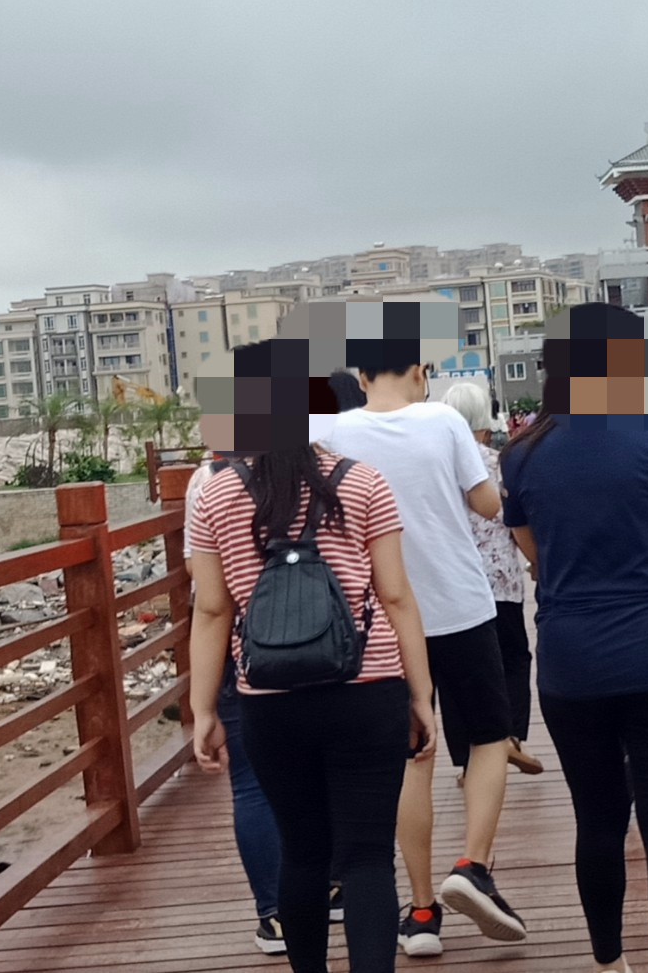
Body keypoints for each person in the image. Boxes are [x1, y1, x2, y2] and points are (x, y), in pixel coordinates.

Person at [189, 339, 437, 973]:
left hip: (270, 699)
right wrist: (420, 695)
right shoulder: (363, 481)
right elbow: (396, 596)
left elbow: (213, 611)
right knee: (367, 857)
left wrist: (203, 709)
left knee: (302, 853)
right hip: (368, 689)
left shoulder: (215, 495)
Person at [500, 303, 648, 973]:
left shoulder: (522, 455)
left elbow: (535, 555)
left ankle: (608, 962)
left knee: (596, 820)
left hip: (573, 662)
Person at [321, 349, 527, 958]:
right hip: (460, 606)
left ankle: (419, 912)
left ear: (361, 377)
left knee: (414, 754)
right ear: (420, 372)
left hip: (383, 618)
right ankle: (473, 867)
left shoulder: (335, 433)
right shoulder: (444, 422)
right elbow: (488, 504)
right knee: (488, 737)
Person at [183, 452, 285, 956]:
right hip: (326, 651)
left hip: (242, 651)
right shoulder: (333, 470)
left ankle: (276, 915)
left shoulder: (208, 482)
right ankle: (333, 886)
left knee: (250, 785)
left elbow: (204, 587)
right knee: (322, 772)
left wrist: (201, 708)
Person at [436, 383, 542, 780]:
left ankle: (467, 760)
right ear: (485, 418)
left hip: (452, 584)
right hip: (501, 582)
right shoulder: (499, 463)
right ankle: (511, 735)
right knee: (513, 658)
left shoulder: (436, 466)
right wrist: (536, 561)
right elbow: (516, 521)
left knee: (454, 675)